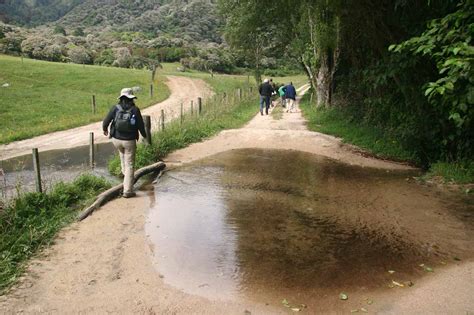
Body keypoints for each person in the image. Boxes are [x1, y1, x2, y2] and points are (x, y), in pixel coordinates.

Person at [103, 88, 146, 198]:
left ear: (121, 98)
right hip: (129, 141)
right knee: (130, 165)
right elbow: (141, 126)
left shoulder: (115, 108)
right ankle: (127, 191)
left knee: (122, 157)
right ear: (131, 98)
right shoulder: (135, 110)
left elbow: (106, 121)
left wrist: (105, 130)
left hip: (116, 140)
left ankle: (125, 178)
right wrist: (145, 136)